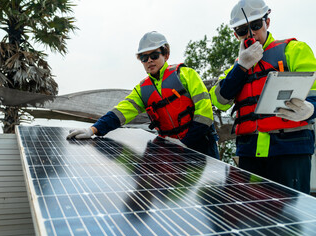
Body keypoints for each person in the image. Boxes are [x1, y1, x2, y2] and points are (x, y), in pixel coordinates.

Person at [209, 0, 316, 194]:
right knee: (252, 215)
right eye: (242, 30)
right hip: (250, 153)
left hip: (290, 149)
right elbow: (219, 100)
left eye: (256, 26)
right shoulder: (235, 67)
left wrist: (311, 110)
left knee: (292, 219)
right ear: (235, 35)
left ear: (267, 22)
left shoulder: (295, 50)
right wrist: (241, 67)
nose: (251, 34)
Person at [67, 31, 219, 159]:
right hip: (171, 151)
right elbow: (120, 112)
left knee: (209, 193)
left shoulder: (186, 74)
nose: (149, 61)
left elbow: (205, 112)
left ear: (166, 54)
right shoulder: (142, 90)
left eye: (154, 55)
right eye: (144, 58)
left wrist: (186, 143)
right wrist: (93, 130)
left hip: (202, 146)